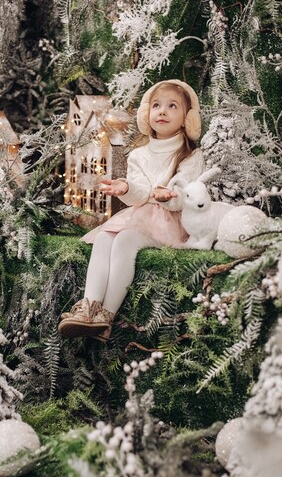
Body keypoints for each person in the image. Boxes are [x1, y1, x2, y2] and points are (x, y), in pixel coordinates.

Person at [58, 79, 205, 341]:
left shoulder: (190, 155)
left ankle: (106, 317)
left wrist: (167, 196)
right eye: (157, 105)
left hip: (170, 221)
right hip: (140, 215)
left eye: (172, 106)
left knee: (125, 239)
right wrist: (125, 188)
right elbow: (138, 195)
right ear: (146, 113)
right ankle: (87, 307)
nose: (162, 111)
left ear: (186, 118)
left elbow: (186, 197)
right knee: (104, 237)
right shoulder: (139, 154)